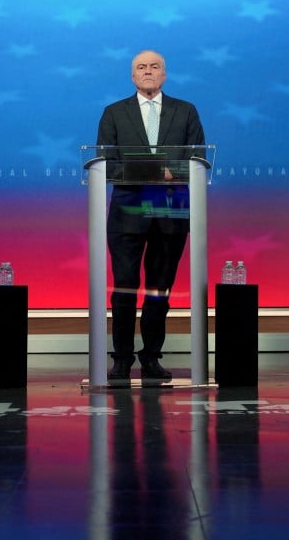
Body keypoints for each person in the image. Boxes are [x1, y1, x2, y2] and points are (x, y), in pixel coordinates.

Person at [97, 50, 205, 382]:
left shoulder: (185, 111)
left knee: (160, 290)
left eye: (154, 66)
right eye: (141, 67)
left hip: (170, 213)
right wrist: (157, 169)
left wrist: (169, 170)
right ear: (132, 76)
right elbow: (107, 163)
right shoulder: (114, 113)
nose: (148, 71)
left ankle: (151, 358)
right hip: (127, 214)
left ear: (164, 74)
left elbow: (197, 158)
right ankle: (122, 359)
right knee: (124, 288)